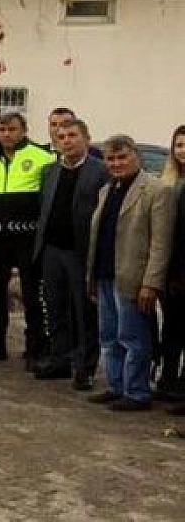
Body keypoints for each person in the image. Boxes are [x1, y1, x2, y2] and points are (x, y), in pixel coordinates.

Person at [86, 136, 173, 412]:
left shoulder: (157, 190)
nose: (116, 163)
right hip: (105, 274)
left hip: (133, 279)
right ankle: (116, 386)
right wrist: (91, 277)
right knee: (109, 336)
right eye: (110, 159)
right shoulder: (106, 190)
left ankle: (137, 392)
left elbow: (161, 243)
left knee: (133, 338)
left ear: (136, 156)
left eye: (122, 157)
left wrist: (151, 283)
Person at [0, 111, 54, 366]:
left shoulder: (42, 157)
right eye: (2, 130)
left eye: (12, 129)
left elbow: (47, 199)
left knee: (31, 294)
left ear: (24, 131)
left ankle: (36, 348)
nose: (7, 134)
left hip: (27, 237)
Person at [32, 118, 108, 387]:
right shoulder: (49, 172)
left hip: (81, 252)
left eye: (72, 135)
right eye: (61, 137)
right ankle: (59, 359)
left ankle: (85, 367)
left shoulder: (100, 171)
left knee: (84, 312)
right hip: (52, 250)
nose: (66, 141)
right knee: (55, 308)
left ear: (86, 138)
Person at [161, 125, 185, 405]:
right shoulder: (168, 182)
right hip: (169, 269)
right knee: (171, 328)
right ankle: (167, 381)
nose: (182, 151)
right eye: (178, 145)